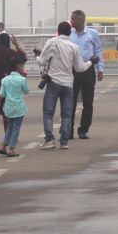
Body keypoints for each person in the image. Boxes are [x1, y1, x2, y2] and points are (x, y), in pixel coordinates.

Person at [36, 21, 91, 150]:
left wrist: (38, 56)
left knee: (48, 113)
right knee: (66, 114)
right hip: (68, 84)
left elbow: (42, 62)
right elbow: (79, 68)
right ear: (69, 32)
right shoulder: (74, 47)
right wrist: (90, 63)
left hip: (54, 82)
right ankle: (64, 141)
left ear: (58, 31)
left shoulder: (52, 42)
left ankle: (49, 140)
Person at [69, 10, 104, 140]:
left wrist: (100, 69)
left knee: (88, 101)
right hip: (72, 71)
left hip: (88, 69)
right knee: (70, 102)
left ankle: (83, 129)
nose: (71, 21)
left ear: (81, 21)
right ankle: (69, 129)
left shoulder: (92, 34)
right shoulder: (69, 33)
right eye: (71, 19)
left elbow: (98, 50)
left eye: (73, 19)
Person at [0, 54, 29, 157]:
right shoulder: (22, 80)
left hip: (8, 107)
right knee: (16, 128)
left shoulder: (5, 80)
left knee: (9, 127)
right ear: (19, 66)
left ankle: (3, 146)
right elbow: (26, 91)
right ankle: (11, 149)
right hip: (19, 107)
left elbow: (2, 94)